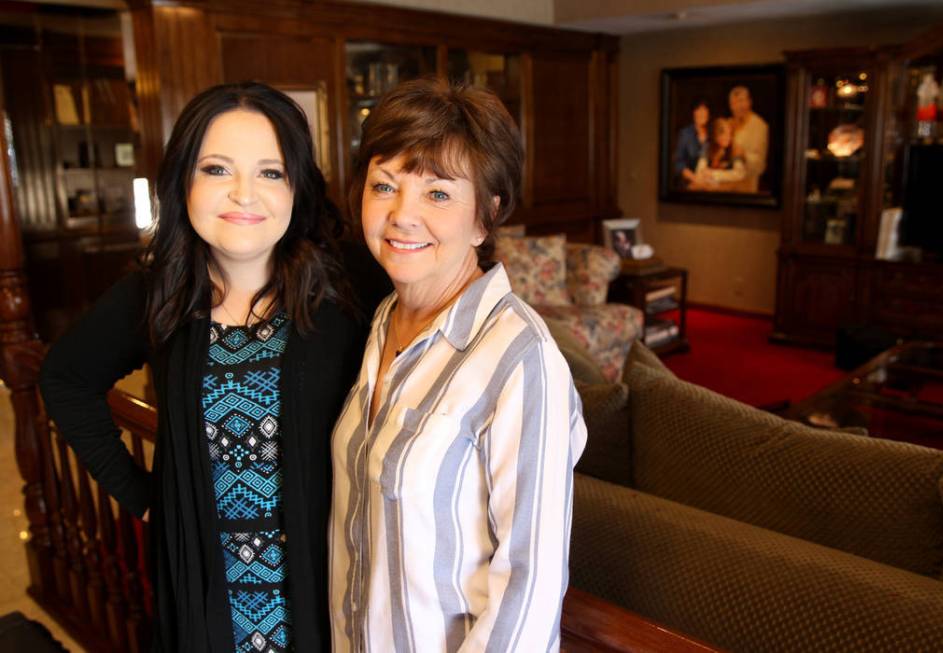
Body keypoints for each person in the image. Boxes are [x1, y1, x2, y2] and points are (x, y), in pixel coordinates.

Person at [40, 81, 388, 652]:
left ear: (297, 187)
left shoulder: (352, 284)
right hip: (207, 599)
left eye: (270, 173)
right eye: (218, 169)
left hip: (327, 599)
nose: (244, 194)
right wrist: (146, 497)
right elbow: (65, 379)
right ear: (184, 181)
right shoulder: (157, 293)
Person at [329, 78, 587, 652]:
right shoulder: (382, 320)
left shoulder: (523, 360)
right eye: (384, 186)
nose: (402, 215)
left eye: (438, 194)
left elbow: (529, 589)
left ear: (485, 216)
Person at [728, 85, 769, 192]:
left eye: (742, 101)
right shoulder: (727, 124)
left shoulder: (759, 126)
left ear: (749, 102)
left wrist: (743, 155)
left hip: (747, 188)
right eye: (734, 103)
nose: (738, 106)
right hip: (725, 185)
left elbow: (760, 165)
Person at [690, 117, 746, 191]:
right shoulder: (707, 147)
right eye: (723, 134)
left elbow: (740, 174)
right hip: (710, 189)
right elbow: (700, 172)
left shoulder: (735, 148)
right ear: (715, 136)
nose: (728, 137)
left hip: (730, 190)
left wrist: (714, 174)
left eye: (729, 134)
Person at [672, 98, 710, 189]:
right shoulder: (685, 134)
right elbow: (678, 164)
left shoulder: (712, 132)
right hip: (689, 183)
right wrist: (694, 178)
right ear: (693, 113)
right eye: (698, 110)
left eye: (704, 110)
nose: (702, 113)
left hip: (710, 181)